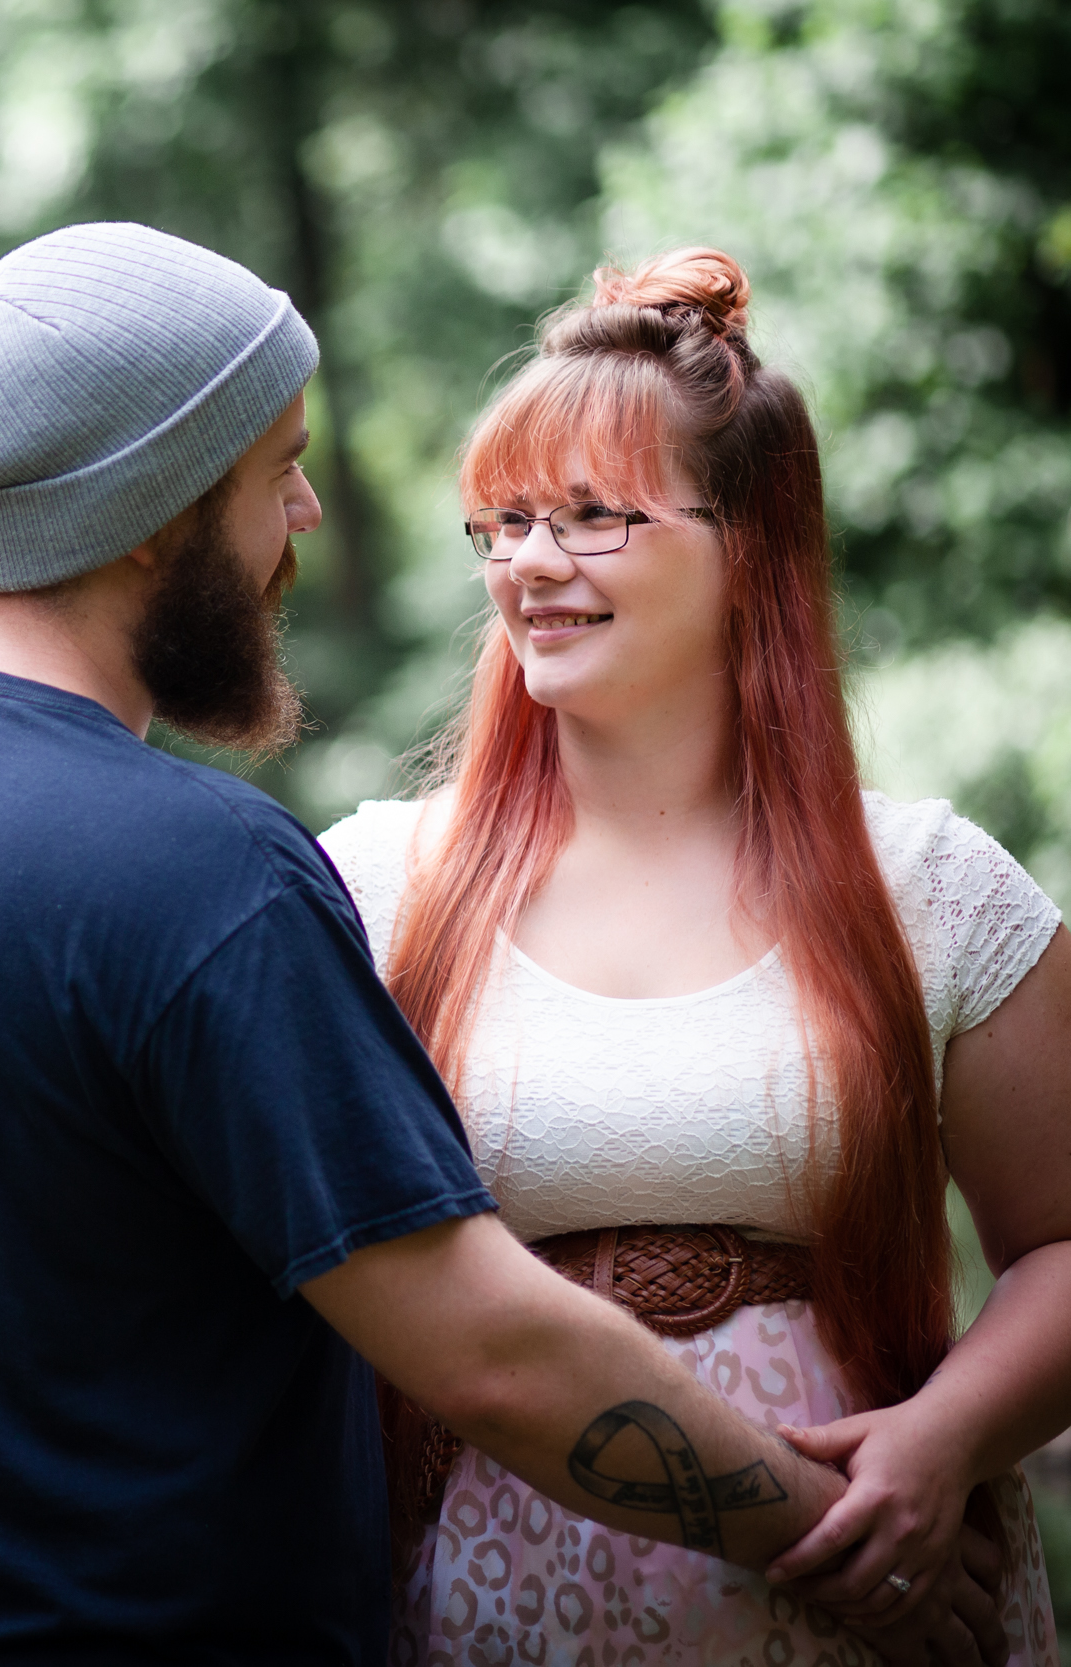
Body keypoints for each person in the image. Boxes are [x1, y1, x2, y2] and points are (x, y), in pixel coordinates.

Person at [0, 223, 982, 1665]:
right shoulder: (203, 876)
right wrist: (828, 1535)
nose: (301, 511)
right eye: (274, 464)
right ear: (154, 507)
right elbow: (484, 1350)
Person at [317, 247, 1071, 1664]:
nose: (530, 564)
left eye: (595, 516)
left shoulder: (935, 888)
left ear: (753, 548)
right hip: (488, 1597)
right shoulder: (378, 887)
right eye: (507, 521)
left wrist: (945, 1442)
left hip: (876, 1585)